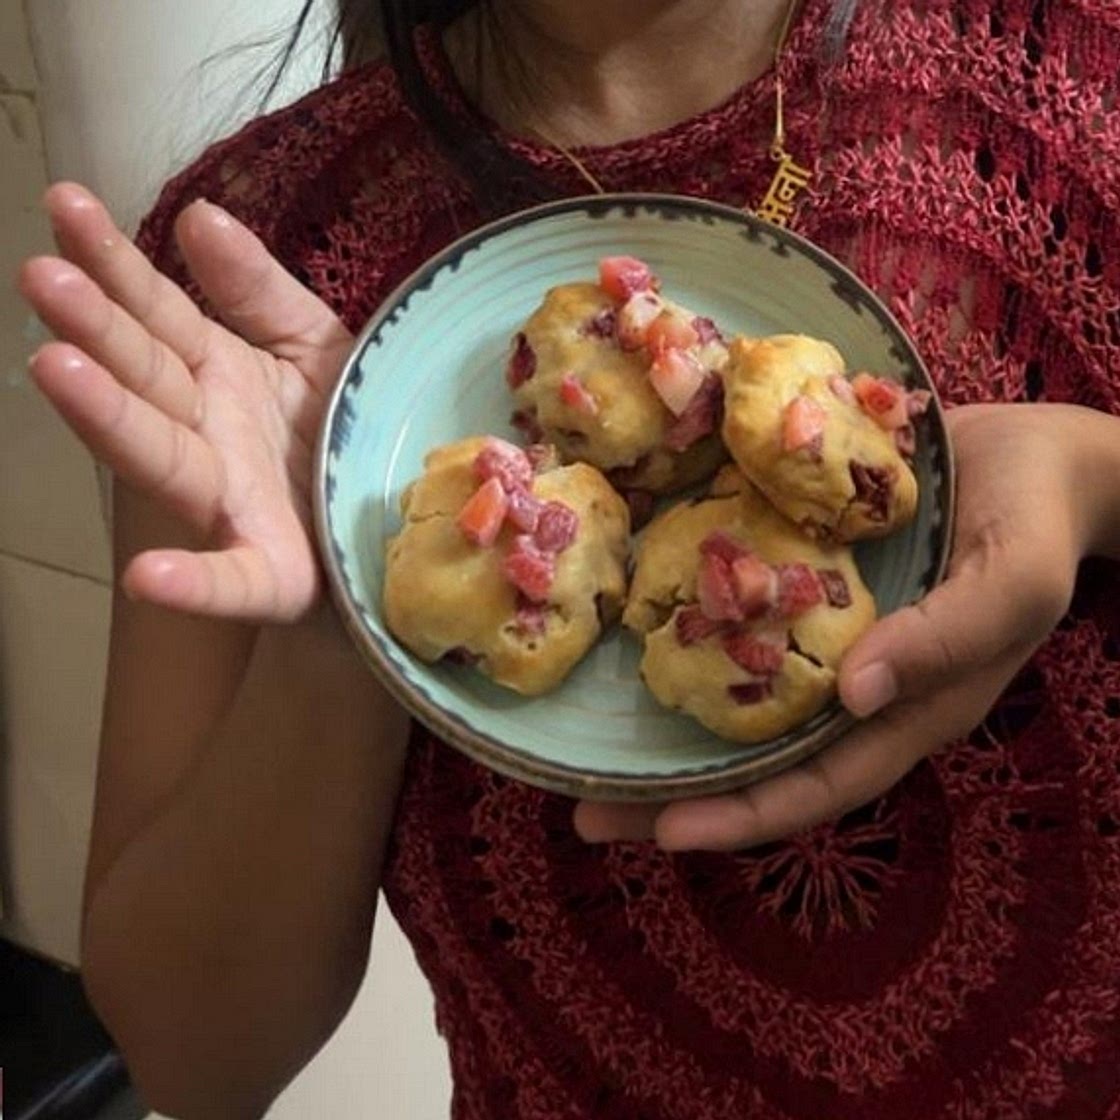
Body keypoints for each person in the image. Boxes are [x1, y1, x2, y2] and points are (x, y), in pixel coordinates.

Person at [16, 0, 1120, 1116]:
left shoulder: (1079, 69)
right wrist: (348, 610)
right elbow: (196, 1059)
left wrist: (1091, 480)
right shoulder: (268, 267)